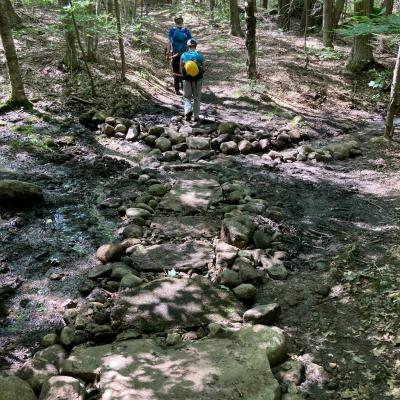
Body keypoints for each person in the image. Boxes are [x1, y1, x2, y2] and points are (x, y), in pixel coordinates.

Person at [180, 39, 207, 122]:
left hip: (187, 79)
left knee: (187, 97)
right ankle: (196, 116)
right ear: (196, 46)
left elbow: (181, 67)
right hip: (198, 79)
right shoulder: (200, 55)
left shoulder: (183, 55)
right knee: (197, 98)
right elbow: (204, 67)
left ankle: (188, 111)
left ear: (188, 46)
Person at [168, 16, 192, 95]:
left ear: (175, 22)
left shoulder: (172, 31)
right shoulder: (186, 31)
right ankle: (184, 88)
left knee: (175, 70)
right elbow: (190, 43)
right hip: (185, 54)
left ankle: (177, 89)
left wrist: (169, 52)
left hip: (175, 54)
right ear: (182, 22)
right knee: (184, 70)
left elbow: (170, 42)